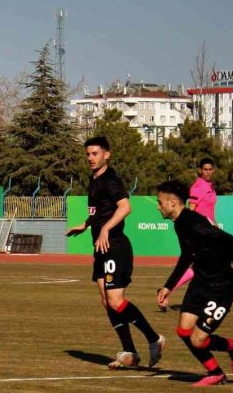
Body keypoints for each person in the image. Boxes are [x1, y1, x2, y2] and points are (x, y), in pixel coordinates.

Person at [66, 136, 164, 369]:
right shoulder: (94, 179)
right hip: (101, 248)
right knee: (106, 301)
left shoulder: (110, 179)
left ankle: (154, 338)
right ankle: (130, 352)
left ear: (106, 155)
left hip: (116, 246)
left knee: (115, 300)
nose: (90, 158)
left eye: (95, 154)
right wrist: (87, 224)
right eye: (88, 154)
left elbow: (125, 207)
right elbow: (100, 211)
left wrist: (107, 229)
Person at [154, 179, 233, 387]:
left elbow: (231, 241)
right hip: (200, 284)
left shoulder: (193, 222)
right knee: (183, 331)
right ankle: (216, 372)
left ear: (173, 203)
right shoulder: (180, 223)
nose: (157, 206)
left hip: (220, 287)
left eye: (160, 202)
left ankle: (232, 348)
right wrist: (168, 287)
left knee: (198, 339)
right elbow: (187, 256)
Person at [158, 157, 217, 311]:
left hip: (208, 229)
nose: (208, 172)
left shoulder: (210, 186)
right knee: (199, 266)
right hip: (200, 233)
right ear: (200, 170)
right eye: (205, 169)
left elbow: (210, 212)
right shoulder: (199, 186)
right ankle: (168, 291)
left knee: (197, 267)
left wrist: (215, 227)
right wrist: (189, 228)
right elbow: (191, 210)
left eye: (210, 169)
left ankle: (167, 291)